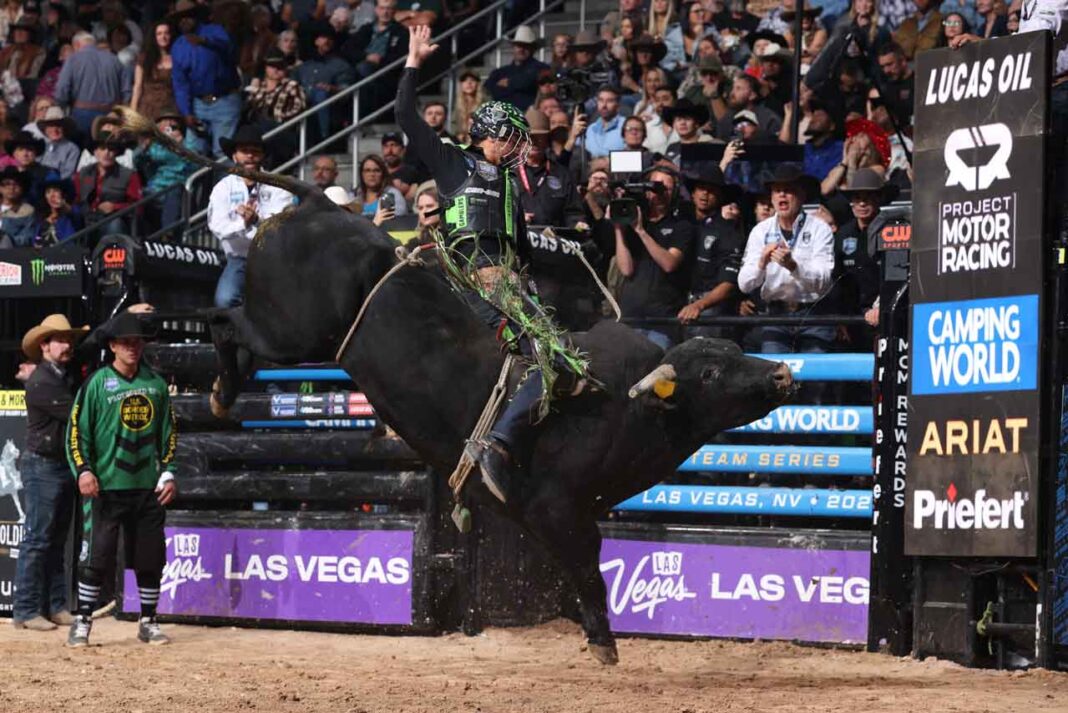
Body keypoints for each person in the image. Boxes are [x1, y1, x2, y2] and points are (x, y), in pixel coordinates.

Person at [399, 24, 586, 504]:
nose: (522, 147)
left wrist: (530, 289)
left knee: (565, 360)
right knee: (553, 356)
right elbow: (405, 115)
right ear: (493, 135)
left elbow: (521, 251)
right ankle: (497, 445)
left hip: (508, 285)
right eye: (514, 138)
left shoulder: (508, 185)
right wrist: (414, 61)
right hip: (467, 280)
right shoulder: (451, 161)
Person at [65, 311, 178, 648]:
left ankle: (149, 621)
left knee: (150, 557)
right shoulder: (97, 383)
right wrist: (84, 470)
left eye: (137, 342)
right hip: (105, 487)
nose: (133, 347)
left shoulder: (156, 385)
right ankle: (83, 620)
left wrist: (169, 471)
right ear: (112, 346)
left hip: (147, 487)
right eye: (126, 342)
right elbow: (76, 433)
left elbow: (169, 434)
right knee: (96, 556)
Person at [12, 314, 88, 631]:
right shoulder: (43, 381)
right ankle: (26, 610)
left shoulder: (56, 376)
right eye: (61, 339)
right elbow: (77, 415)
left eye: (69, 339)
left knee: (54, 540)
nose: (67, 345)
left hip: (56, 463)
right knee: (40, 539)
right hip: (43, 464)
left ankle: (54, 606)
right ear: (45, 345)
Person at [737, 163, 835, 354]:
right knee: (774, 372)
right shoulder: (760, 231)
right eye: (777, 191)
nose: (782, 195)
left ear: (802, 195)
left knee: (816, 372)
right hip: (776, 316)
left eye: (788, 190)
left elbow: (823, 282)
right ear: (772, 198)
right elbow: (744, 285)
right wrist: (761, 264)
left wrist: (793, 267)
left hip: (813, 315)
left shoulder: (820, 229)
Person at [207, 125, 295, 308]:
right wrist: (243, 224)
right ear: (234, 156)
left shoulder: (277, 184)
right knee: (225, 300)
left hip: (273, 258)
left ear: (262, 156)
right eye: (244, 151)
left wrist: (256, 219)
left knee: (285, 305)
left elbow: (283, 221)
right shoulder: (223, 187)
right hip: (239, 258)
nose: (250, 155)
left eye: (255, 151)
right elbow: (217, 226)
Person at [613, 165, 695, 349]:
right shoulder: (634, 222)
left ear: (674, 193)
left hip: (662, 321)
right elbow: (626, 269)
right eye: (655, 186)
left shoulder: (682, 226)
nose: (660, 193)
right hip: (631, 316)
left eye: (666, 188)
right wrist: (619, 227)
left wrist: (641, 232)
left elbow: (669, 263)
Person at [170, 0, 241, 158]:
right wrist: (186, 112)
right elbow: (180, 84)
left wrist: (206, 42)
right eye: (180, 18)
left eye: (188, 16)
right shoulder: (178, 46)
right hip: (199, 104)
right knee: (193, 153)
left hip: (225, 100)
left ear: (196, 16)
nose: (184, 20)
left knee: (222, 152)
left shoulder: (214, 30)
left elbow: (228, 46)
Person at [678, 168, 743, 337]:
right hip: (677, 303)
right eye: (701, 188)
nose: (705, 194)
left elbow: (729, 283)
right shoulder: (680, 223)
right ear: (693, 193)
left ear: (720, 196)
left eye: (711, 190)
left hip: (710, 308)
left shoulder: (728, 231)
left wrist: (699, 305)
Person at [831, 167, 895, 332]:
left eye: (868, 198)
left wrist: (881, 306)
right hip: (852, 318)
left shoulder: (893, 231)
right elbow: (837, 279)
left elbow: (896, 276)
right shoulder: (843, 234)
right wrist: (840, 319)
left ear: (879, 198)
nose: (862, 203)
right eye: (857, 198)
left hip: (885, 313)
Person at [134, 107, 197, 235]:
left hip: (177, 188)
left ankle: (167, 235)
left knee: (174, 194)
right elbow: (136, 161)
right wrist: (143, 147)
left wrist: (181, 148)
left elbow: (196, 165)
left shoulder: (187, 142)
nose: (169, 124)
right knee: (138, 199)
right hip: (154, 189)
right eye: (165, 121)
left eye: (173, 122)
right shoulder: (153, 144)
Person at [54, 31, 129, 135]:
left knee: (81, 143)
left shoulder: (73, 59)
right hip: (110, 114)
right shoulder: (114, 60)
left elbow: (62, 88)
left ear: (77, 45)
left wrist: (61, 106)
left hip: (81, 114)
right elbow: (126, 90)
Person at [518, 109, 583, 228]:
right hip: (519, 235)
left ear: (548, 141)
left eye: (540, 137)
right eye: (529, 137)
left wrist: (578, 223)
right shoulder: (508, 173)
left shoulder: (562, 174)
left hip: (553, 237)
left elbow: (573, 212)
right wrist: (517, 218)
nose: (534, 142)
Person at [343, 0, 407, 113]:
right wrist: (366, 56)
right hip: (361, 66)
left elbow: (401, 57)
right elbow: (348, 48)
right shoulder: (366, 29)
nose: (385, 12)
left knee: (363, 72)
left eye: (389, 9)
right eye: (382, 8)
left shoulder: (401, 32)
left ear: (394, 11)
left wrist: (380, 60)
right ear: (376, 10)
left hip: (384, 72)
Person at [293, 28, 356, 142]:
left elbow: (346, 91)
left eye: (329, 38)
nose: (326, 41)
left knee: (321, 94)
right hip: (304, 105)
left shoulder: (341, 65)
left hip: (330, 107)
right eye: (322, 38)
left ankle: (323, 138)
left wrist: (332, 88)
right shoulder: (303, 66)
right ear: (315, 41)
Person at [74, 137, 142, 240]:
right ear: (95, 152)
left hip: (111, 220)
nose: (107, 153)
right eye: (102, 148)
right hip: (86, 219)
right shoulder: (83, 173)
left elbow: (138, 207)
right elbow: (75, 199)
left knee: (114, 225)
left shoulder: (129, 175)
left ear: (117, 153)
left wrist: (115, 207)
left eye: (111, 149)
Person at [484, 25, 548, 112]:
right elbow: (488, 89)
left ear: (533, 49)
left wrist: (509, 83)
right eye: (518, 46)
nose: (521, 49)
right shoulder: (499, 72)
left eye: (525, 46)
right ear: (513, 48)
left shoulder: (541, 68)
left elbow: (530, 81)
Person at [131, 21, 176, 121]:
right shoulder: (144, 58)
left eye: (166, 33)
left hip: (169, 109)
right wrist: (132, 112)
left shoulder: (177, 57)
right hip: (147, 109)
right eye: (159, 34)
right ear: (154, 37)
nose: (163, 37)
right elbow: (137, 86)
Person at [354, 154, 409, 222]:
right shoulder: (355, 196)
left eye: (377, 170)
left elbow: (397, 220)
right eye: (367, 170)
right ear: (362, 174)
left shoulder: (392, 194)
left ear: (383, 174)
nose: (372, 174)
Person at [34, 176, 84, 245]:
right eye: (48, 192)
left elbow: (77, 215)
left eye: (56, 190)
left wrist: (63, 204)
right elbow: (37, 240)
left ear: (63, 193)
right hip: (46, 251)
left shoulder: (71, 215)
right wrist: (45, 224)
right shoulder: (42, 218)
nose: (52, 195)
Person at [583, 85, 626, 158]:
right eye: (601, 100)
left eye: (609, 101)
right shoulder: (590, 129)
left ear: (618, 104)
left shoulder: (626, 125)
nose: (604, 105)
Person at [37, 105, 78, 179]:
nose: (54, 130)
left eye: (58, 126)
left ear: (65, 128)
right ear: (45, 129)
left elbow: (68, 173)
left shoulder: (72, 149)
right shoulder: (41, 144)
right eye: (51, 126)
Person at [0, 165, 36, 246]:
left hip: (10, 251)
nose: (11, 188)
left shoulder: (27, 210)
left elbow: (27, 238)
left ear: (22, 189)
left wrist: (7, 239)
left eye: (16, 184)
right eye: (7, 184)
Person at [452, 68, 485, 143]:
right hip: (460, 142)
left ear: (478, 84)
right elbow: (453, 123)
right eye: (465, 80)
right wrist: (457, 134)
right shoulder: (457, 104)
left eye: (472, 80)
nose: (469, 83)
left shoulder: (485, 104)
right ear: (461, 84)